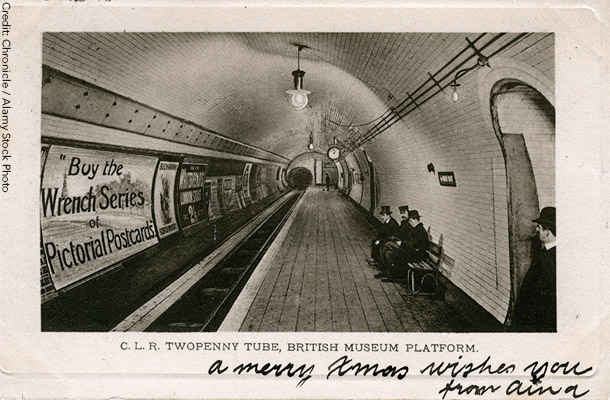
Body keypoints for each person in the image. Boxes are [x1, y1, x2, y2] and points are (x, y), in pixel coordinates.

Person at [512, 207, 556, 332]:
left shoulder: (548, 258)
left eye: (539, 227)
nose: (537, 229)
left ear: (547, 231)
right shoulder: (550, 252)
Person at [378, 210, 429, 282]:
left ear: (415, 220)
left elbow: (413, 244)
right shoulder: (416, 229)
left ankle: (389, 274)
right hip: (410, 251)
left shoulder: (420, 230)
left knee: (388, 245)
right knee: (388, 253)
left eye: (410, 220)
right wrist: (402, 242)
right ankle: (388, 274)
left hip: (416, 255)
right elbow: (410, 241)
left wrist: (401, 243)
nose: (409, 222)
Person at [375, 205, 411, 278]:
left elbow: (407, 237)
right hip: (399, 243)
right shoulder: (403, 223)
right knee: (387, 252)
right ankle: (386, 272)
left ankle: (384, 270)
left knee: (386, 245)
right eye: (401, 213)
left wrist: (400, 241)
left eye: (404, 213)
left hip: (403, 246)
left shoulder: (409, 224)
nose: (402, 215)